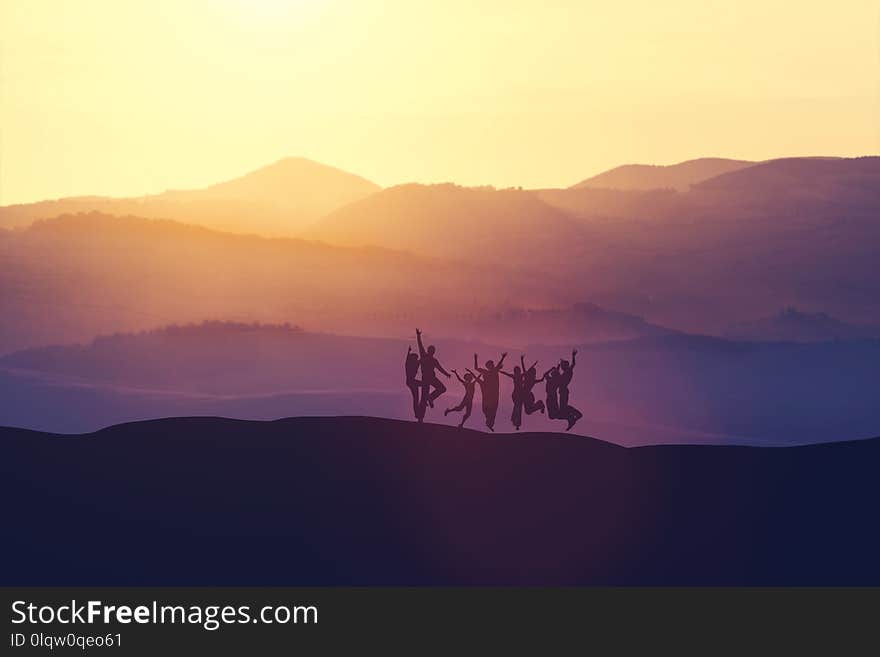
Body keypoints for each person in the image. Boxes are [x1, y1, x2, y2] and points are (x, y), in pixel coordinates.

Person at [416, 328, 450, 408]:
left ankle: (430, 397)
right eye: (430, 350)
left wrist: (446, 374)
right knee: (424, 395)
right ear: (428, 351)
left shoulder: (434, 360)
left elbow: (440, 368)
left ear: (433, 352)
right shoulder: (424, 356)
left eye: (432, 351)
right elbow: (420, 345)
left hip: (432, 378)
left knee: (442, 388)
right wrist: (418, 336)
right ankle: (427, 401)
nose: (431, 352)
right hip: (426, 378)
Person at [473, 351, 507, 431]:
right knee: (486, 409)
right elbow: (476, 368)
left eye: (492, 365)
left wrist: (502, 358)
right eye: (490, 365)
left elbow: (499, 365)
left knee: (492, 410)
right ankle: (489, 423)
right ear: (488, 366)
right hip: (487, 393)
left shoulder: (494, 371)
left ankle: (490, 424)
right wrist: (475, 358)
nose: (492, 366)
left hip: (494, 394)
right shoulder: (487, 371)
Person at [557, 349, 583, 431]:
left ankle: (576, 415)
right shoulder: (566, 372)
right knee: (563, 408)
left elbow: (573, 364)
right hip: (562, 391)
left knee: (563, 408)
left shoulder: (568, 371)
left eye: (562, 366)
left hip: (564, 391)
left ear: (565, 366)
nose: (561, 367)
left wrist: (573, 356)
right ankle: (571, 419)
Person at [404, 346, 426, 422]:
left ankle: (417, 413)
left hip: (412, 382)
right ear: (413, 358)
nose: (417, 359)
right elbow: (407, 360)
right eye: (416, 358)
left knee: (416, 398)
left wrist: (409, 351)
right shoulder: (409, 365)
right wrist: (408, 352)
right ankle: (427, 398)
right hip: (411, 382)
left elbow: (420, 360)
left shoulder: (414, 363)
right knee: (424, 385)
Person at [501, 364, 525, 430]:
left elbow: (506, 373)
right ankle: (516, 422)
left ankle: (516, 422)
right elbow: (506, 373)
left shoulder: (518, 376)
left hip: (519, 394)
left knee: (518, 408)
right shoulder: (517, 376)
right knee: (518, 408)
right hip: (517, 394)